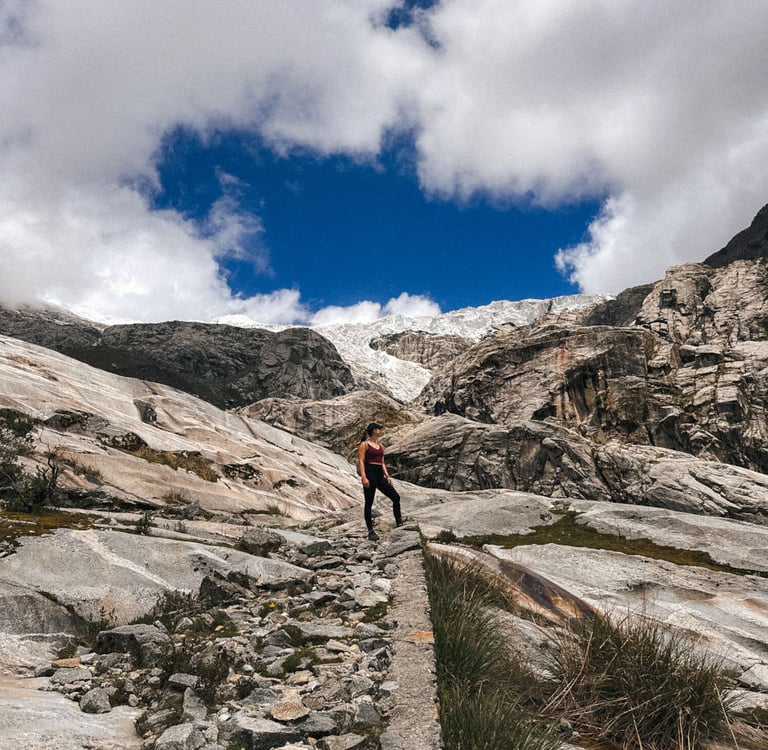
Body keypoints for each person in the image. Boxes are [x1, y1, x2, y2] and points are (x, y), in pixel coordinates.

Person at [358, 422, 402, 541]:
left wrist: (387, 476)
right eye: (379, 429)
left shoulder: (380, 446)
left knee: (396, 497)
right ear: (373, 430)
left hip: (379, 474)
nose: (380, 431)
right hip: (370, 472)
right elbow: (361, 461)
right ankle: (371, 531)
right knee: (369, 502)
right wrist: (364, 477)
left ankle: (399, 523)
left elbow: (382, 462)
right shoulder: (365, 445)